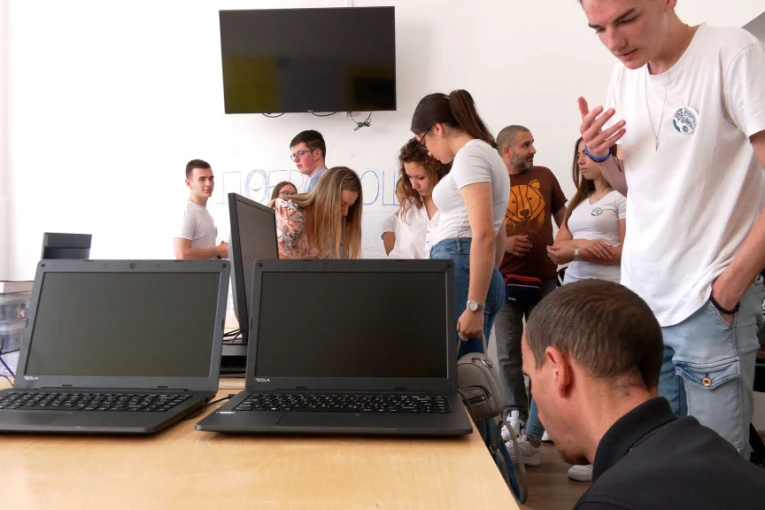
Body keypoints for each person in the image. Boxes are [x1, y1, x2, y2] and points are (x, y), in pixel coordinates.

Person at [577, 0, 765, 456]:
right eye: (598, 29)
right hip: (642, 304)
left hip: (708, 302)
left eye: (626, 19)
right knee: (657, 464)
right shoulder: (624, 76)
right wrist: (601, 157)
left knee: (717, 472)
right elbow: (636, 188)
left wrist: (728, 289)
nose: (614, 42)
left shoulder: (730, 52)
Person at [522, 279, 765, 508]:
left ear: (559, 371)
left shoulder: (613, 500)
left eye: (532, 377)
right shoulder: (718, 457)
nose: (536, 399)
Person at [509, 137, 626, 481]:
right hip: (571, 293)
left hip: (606, 296)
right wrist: (586, 246)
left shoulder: (622, 198)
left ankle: (598, 455)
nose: (581, 161)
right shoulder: (578, 202)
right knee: (548, 366)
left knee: (595, 375)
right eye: (578, 155)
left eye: (587, 154)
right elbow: (555, 247)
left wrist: (575, 250)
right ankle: (532, 443)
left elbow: (626, 251)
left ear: (608, 156)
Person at [411, 89, 509, 357]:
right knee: (467, 368)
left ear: (437, 129)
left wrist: (475, 304)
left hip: (462, 268)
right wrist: (487, 276)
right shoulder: (484, 154)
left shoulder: (470, 156)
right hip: (469, 270)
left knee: (460, 372)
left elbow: (485, 233)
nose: (427, 152)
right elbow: (499, 230)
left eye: (423, 142)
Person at [493, 125, 567, 436]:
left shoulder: (545, 176)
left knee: (546, 351)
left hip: (545, 281)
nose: (533, 150)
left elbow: (564, 218)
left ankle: (543, 416)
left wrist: (565, 244)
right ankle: (515, 413)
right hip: (503, 281)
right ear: (507, 150)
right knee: (509, 352)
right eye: (526, 145)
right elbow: (477, 227)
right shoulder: (491, 181)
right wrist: (505, 243)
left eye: (532, 143)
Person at [274, 166, 362, 259]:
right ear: (325, 196)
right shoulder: (288, 215)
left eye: (350, 207)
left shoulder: (336, 228)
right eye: (341, 204)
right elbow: (275, 263)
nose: (346, 213)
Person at [383, 139, 449, 259]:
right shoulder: (408, 207)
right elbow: (399, 253)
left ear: (437, 171)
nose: (414, 185)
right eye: (409, 177)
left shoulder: (456, 203)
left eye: (420, 177)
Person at [173, 159, 228, 260]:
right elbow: (182, 255)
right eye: (202, 179)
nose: (208, 183)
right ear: (189, 183)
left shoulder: (206, 213)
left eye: (211, 178)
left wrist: (219, 253)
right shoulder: (187, 211)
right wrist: (217, 250)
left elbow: (204, 254)